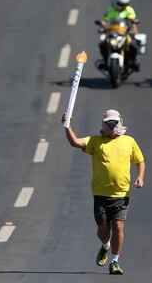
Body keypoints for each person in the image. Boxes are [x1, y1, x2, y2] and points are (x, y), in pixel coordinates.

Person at [62, 109, 146, 275]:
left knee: (118, 226)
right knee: (103, 230)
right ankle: (106, 246)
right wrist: (67, 125)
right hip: (100, 194)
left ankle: (115, 261)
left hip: (122, 194)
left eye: (114, 122)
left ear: (120, 122)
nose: (112, 126)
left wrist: (140, 177)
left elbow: (140, 161)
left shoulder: (129, 141)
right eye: (109, 123)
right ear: (104, 125)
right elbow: (75, 142)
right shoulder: (95, 141)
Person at [98, 0, 140, 71]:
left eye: (125, 4)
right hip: (112, 33)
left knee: (134, 46)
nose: (124, 6)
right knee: (102, 45)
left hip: (125, 33)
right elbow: (105, 21)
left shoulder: (129, 10)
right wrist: (101, 27)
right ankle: (106, 61)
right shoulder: (110, 10)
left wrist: (133, 28)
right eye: (122, 4)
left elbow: (132, 21)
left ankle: (133, 62)